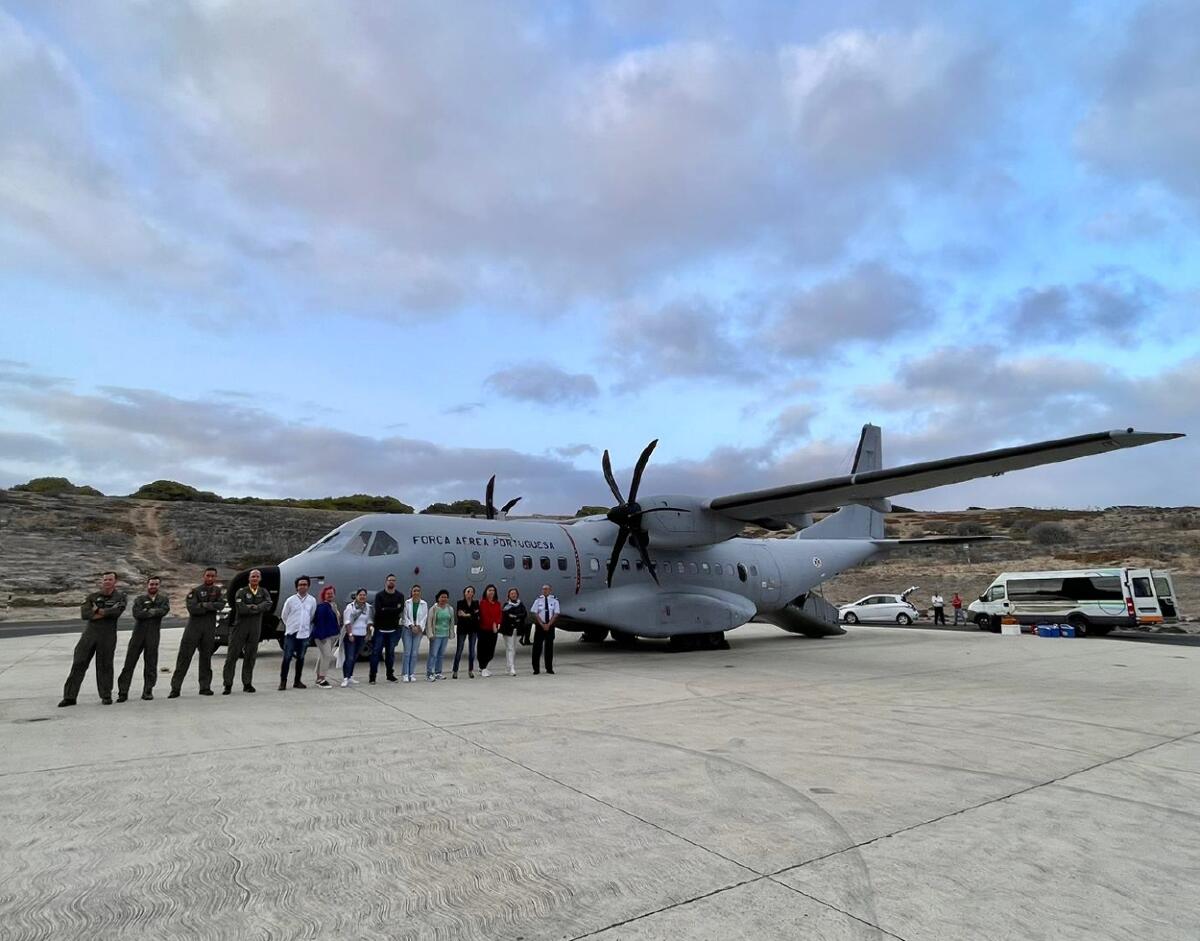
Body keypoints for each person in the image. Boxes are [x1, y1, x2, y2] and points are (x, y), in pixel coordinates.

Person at [59, 571, 127, 707]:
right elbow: (85, 614)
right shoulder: (93, 596)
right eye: (105, 580)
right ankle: (69, 697)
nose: (107, 582)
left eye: (110, 579)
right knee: (79, 663)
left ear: (115, 582)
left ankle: (106, 695)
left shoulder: (120, 597)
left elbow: (116, 612)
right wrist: (104, 613)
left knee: (105, 666)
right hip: (89, 635)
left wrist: (98, 611)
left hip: (107, 636)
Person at [169, 567, 224, 698]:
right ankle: (175, 688)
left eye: (212, 576)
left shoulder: (218, 591)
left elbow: (221, 605)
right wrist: (210, 605)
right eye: (208, 576)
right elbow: (193, 609)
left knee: (206, 659)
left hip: (209, 628)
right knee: (184, 658)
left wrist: (204, 605)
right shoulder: (195, 591)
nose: (210, 578)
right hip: (193, 628)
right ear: (203, 576)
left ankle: (205, 687)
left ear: (215, 577)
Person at [117, 575, 169, 702]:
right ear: (147, 585)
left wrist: (149, 611)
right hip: (138, 635)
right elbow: (137, 614)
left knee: (151, 664)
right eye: (151, 584)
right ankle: (123, 692)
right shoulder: (140, 599)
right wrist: (153, 612)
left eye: (156, 584)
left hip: (153, 635)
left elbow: (164, 611)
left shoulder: (163, 599)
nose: (153, 586)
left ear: (159, 586)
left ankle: (148, 691)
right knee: (129, 663)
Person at [224, 568, 272, 695]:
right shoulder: (241, 592)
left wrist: (254, 607)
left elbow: (268, 604)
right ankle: (228, 684)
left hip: (255, 627)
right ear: (249, 579)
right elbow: (241, 608)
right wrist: (257, 609)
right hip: (240, 627)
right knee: (232, 656)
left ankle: (247, 683)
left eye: (257, 576)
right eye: (253, 576)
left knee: (250, 656)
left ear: (260, 579)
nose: (255, 578)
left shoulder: (263, 591)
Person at [278, 575, 316, 690]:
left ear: (308, 586)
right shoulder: (290, 600)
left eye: (305, 584)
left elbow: (312, 615)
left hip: (304, 634)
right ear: (296, 587)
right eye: (300, 585)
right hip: (291, 633)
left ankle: (297, 681)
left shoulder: (312, 600)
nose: (302, 587)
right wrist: (291, 626)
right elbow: (284, 616)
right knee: (287, 657)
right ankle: (283, 682)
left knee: (301, 658)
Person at [370, 574, 403, 683]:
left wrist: (386, 609)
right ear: (386, 582)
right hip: (380, 629)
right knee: (376, 653)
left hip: (393, 629)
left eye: (393, 580)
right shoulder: (379, 595)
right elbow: (379, 610)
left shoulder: (399, 596)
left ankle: (390, 675)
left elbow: (400, 610)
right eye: (390, 580)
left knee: (390, 654)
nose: (391, 582)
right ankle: (372, 676)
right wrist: (393, 610)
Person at [312, 585, 341, 688]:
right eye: (328, 593)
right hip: (323, 636)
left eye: (332, 593)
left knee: (323, 656)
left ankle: (318, 677)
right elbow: (319, 622)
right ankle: (322, 678)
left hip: (333, 635)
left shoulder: (333, 605)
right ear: (324, 595)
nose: (330, 595)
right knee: (327, 656)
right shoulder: (322, 607)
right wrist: (322, 637)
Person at [341, 588, 372, 687]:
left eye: (364, 595)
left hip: (362, 635)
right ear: (357, 596)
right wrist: (350, 634)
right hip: (352, 635)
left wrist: (368, 634)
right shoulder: (350, 607)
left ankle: (350, 676)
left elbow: (369, 622)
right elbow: (347, 622)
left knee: (354, 657)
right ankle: (345, 678)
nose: (362, 597)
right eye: (360, 595)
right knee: (349, 657)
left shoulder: (368, 607)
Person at [424, 589, 455, 681]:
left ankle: (438, 672)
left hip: (445, 634)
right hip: (436, 635)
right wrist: (430, 634)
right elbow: (429, 622)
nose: (444, 599)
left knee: (441, 655)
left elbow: (451, 621)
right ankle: (429, 673)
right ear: (438, 598)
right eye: (442, 597)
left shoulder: (450, 609)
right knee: (433, 654)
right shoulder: (433, 609)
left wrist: (451, 633)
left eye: (445, 597)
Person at [400, 585, 428, 682]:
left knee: (414, 653)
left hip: (419, 630)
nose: (416, 592)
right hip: (408, 629)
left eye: (418, 591)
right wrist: (412, 626)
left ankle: (411, 673)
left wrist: (419, 626)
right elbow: (404, 617)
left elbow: (425, 617)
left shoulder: (424, 604)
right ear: (411, 592)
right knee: (407, 652)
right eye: (414, 591)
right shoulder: (407, 603)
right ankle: (405, 673)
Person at [452, 586, 481, 679]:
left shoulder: (476, 603)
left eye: (471, 591)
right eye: (468, 591)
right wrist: (471, 614)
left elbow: (477, 614)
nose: (469, 593)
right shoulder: (460, 603)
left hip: (473, 629)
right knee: (459, 650)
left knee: (472, 651)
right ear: (464, 593)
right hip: (462, 629)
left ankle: (470, 670)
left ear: (473, 594)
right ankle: (455, 670)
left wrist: (467, 614)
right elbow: (460, 615)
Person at [531, 584, 560, 675]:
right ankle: (536, 669)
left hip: (550, 626)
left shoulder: (554, 601)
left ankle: (549, 668)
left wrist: (548, 624)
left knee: (549, 648)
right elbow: (535, 613)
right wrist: (542, 624)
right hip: (540, 626)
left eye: (547, 589)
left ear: (550, 590)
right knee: (537, 647)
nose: (545, 591)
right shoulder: (538, 600)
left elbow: (556, 614)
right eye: (543, 589)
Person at [500, 587, 526, 677]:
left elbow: (524, 614)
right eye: (511, 594)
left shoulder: (520, 604)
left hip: (517, 630)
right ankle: (512, 668)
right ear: (509, 595)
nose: (513, 595)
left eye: (515, 593)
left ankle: (509, 667)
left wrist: (515, 616)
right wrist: (517, 617)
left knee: (513, 649)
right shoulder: (506, 605)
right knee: (510, 648)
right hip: (508, 630)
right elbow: (506, 616)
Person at [477, 584, 502, 677]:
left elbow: (499, 615)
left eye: (493, 590)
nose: (491, 592)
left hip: (494, 630)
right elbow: (485, 615)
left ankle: (483, 667)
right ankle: (483, 668)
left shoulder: (497, 603)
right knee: (483, 649)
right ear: (486, 592)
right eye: (489, 590)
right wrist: (493, 624)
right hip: (484, 629)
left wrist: (498, 623)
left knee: (491, 650)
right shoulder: (483, 603)